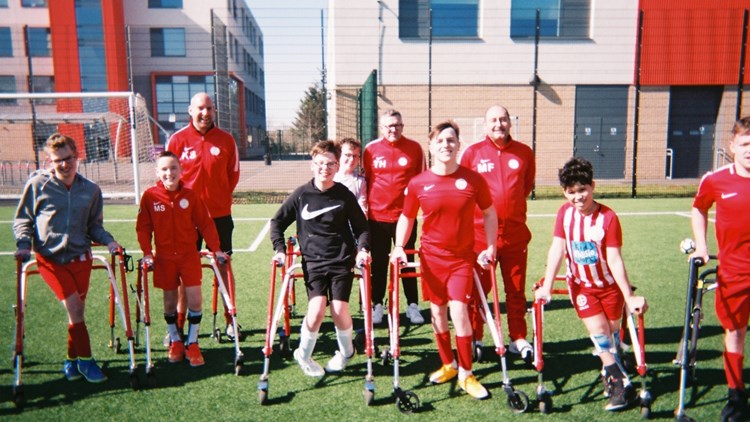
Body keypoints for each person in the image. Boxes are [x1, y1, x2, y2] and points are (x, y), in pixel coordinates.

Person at [390, 121, 497, 400]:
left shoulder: (473, 180)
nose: (446, 145)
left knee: (459, 311)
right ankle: (448, 364)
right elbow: (407, 216)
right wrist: (400, 246)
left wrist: (490, 246)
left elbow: (489, 213)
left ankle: (466, 373)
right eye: (440, 141)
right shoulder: (418, 183)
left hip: (462, 259)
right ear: (431, 146)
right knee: (437, 313)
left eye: (451, 140)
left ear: (458, 145)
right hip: (431, 258)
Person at [534, 156, 647, 411]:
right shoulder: (564, 214)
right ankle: (621, 386)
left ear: (592, 186)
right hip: (582, 286)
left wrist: (628, 296)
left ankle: (613, 363)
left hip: (609, 287)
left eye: (582, 190)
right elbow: (558, 249)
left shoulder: (608, 218)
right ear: (564, 192)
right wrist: (548, 285)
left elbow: (615, 260)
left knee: (612, 333)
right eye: (571, 192)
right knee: (599, 335)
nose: (578, 197)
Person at [13, 133, 122, 383]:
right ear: (49, 161)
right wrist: (22, 244)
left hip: (81, 259)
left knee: (77, 312)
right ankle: (86, 361)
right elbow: (24, 220)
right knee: (74, 308)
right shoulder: (38, 185)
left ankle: (70, 361)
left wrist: (109, 241)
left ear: (77, 157)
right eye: (57, 160)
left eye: (68, 158)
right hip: (50, 259)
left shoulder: (91, 190)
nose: (64, 164)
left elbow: (95, 226)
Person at [270, 140, 371, 376]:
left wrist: (363, 249)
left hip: (341, 260)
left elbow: (362, 228)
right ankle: (303, 355)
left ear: (337, 167)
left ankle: (346, 353)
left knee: (339, 310)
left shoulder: (344, 195)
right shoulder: (301, 194)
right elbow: (277, 222)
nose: (325, 168)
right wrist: (279, 249)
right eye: (321, 163)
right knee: (316, 310)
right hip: (314, 261)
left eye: (330, 164)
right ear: (312, 165)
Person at [135, 151, 228, 367]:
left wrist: (216, 249)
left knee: (194, 298)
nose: (169, 173)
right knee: (169, 302)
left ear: (181, 170)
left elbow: (205, 223)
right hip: (164, 258)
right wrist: (147, 253)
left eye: (173, 168)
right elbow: (143, 228)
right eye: (164, 169)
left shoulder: (191, 195)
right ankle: (175, 340)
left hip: (189, 256)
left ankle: (192, 343)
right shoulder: (150, 196)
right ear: (158, 172)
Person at [459, 105, 535, 361]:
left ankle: (518, 338)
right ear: (484, 125)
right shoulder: (472, 154)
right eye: (493, 120)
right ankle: (476, 338)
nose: (498, 124)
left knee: (515, 290)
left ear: (510, 122)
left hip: (515, 234)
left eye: (502, 119)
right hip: (480, 236)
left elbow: (525, 187)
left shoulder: (524, 153)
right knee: (477, 291)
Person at [167, 92, 240, 340]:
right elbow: (168, 177)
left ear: (214, 111)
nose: (205, 113)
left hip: (219, 217)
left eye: (209, 108)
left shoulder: (227, 140)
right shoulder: (177, 141)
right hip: (185, 219)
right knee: (183, 272)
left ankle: (231, 321)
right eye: (200, 108)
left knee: (223, 266)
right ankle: (177, 326)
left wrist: (217, 201)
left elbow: (233, 175)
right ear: (190, 110)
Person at [690, 117, 750, 422]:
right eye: (745, 144)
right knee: (735, 332)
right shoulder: (716, 179)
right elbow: (699, 208)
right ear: (733, 146)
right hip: (735, 273)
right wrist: (702, 246)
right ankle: (736, 395)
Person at [363, 109, 426, 325]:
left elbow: (421, 181)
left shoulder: (415, 148)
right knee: (379, 264)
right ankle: (377, 305)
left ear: (402, 126)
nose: (393, 129)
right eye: (389, 126)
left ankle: (412, 306)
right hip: (377, 218)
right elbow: (367, 181)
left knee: (407, 262)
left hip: (405, 218)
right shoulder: (370, 150)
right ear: (381, 128)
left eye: (397, 125)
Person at [334, 137, 367, 214]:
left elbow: (362, 209)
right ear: (339, 155)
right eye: (347, 155)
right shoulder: (330, 177)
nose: (352, 159)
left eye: (355, 156)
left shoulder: (360, 181)